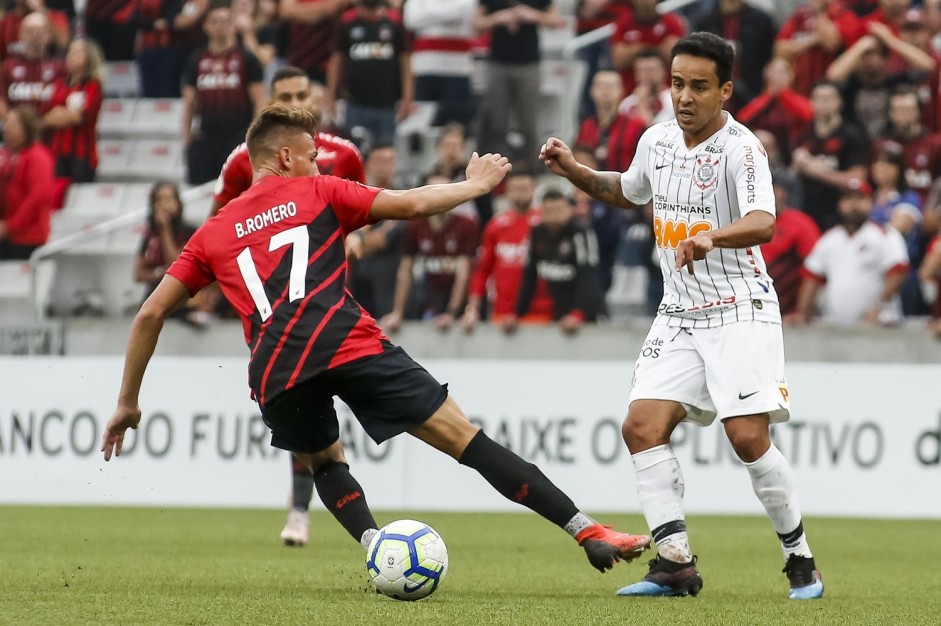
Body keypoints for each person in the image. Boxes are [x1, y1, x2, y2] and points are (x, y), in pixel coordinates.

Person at [100, 106, 652, 577]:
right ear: (287, 158)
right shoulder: (318, 191)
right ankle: (586, 530)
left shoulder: (214, 229)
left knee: (323, 462)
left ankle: (375, 548)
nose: (318, 161)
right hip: (345, 340)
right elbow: (410, 205)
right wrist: (477, 186)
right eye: (312, 153)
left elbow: (150, 312)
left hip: (277, 370)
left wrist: (127, 401)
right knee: (466, 439)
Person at [540, 32, 824, 600]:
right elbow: (627, 190)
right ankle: (674, 564)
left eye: (698, 86)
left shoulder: (743, 149)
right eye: (676, 84)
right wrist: (574, 169)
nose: (684, 97)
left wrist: (711, 236)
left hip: (740, 306)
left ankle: (801, 561)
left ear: (725, 90)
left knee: (746, 438)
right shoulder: (657, 140)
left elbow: (763, 221)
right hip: (679, 311)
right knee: (640, 428)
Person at [210, 66, 366, 217]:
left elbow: (363, 211)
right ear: (270, 105)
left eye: (301, 96)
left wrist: (357, 236)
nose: (295, 104)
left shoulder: (345, 154)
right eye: (286, 98)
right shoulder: (243, 158)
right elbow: (216, 222)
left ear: (313, 101)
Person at [790, 179, 909, 326]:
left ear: (871, 203)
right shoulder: (829, 239)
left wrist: (878, 307)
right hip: (838, 328)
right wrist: (802, 313)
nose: (854, 205)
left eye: (860, 199)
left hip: (879, 326)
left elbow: (897, 273)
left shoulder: (884, 234)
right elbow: (812, 278)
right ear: (840, 204)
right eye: (848, 198)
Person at [379, 172, 478, 333]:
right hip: (427, 297)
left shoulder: (466, 225)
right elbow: (405, 270)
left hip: (460, 308)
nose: (439, 197)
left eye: (445, 191)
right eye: (434, 191)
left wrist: (451, 313)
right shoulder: (414, 227)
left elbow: (464, 272)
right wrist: (398, 312)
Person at [181, 0, 266, 185]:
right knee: (199, 191)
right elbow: (188, 103)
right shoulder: (196, 60)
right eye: (215, 21)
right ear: (206, 26)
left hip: (237, 136)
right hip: (206, 138)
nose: (221, 26)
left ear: (234, 24)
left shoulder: (247, 59)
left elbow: (260, 101)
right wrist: (188, 140)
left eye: (226, 21)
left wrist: (253, 139)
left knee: (239, 192)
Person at [475, 0, 561, 174]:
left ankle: (532, 169)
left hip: (528, 64)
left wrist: (533, 15)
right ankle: (497, 171)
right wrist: (498, 18)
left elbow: (555, 19)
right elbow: (477, 23)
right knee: (497, 122)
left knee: (528, 123)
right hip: (498, 63)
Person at [461, 170, 553, 332]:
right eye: (516, 188)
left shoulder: (546, 223)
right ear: (507, 191)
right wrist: (472, 309)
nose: (520, 194)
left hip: (542, 313)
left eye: (524, 188)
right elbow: (482, 272)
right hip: (503, 314)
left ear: (534, 189)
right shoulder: (496, 225)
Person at [508, 188, 607, 335]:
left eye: (559, 210)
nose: (554, 216)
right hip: (559, 313)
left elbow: (588, 275)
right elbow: (529, 276)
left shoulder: (580, 232)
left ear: (569, 210)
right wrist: (517, 313)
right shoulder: (537, 234)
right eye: (549, 211)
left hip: (587, 316)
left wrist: (578, 314)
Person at [326, 0, 413, 146]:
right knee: (354, 151)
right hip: (355, 103)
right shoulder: (346, 22)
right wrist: (331, 95)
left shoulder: (395, 22)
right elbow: (336, 60)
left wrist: (407, 98)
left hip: (387, 105)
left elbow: (405, 62)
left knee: (385, 152)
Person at [791, 80, 869, 231]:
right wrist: (797, 165)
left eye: (828, 98)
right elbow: (794, 173)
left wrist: (816, 171)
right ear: (811, 102)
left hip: (838, 213)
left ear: (839, 102)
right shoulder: (803, 134)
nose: (824, 103)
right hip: (806, 208)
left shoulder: (851, 135)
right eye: (819, 98)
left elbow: (857, 179)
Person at [43, 39, 106, 189]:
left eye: (77, 52)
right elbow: (46, 117)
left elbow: (80, 116)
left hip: (82, 153)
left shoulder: (93, 85)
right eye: (70, 51)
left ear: (89, 57)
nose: (71, 56)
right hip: (56, 151)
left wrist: (61, 114)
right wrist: (66, 114)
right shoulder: (58, 84)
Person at [403, 0, 477, 127]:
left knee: (456, 125)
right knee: (421, 123)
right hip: (424, 68)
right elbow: (410, 20)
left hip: (457, 70)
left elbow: (462, 13)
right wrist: (447, 13)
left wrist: (427, 14)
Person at [0, 106, 55, 260]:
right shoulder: (6, 154)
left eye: (11, 124)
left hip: (27, 238)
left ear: (25, 129)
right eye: (6, 124)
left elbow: (38, 197)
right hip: (6, 235)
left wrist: (10, 226)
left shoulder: (38, 156)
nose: (6, 129)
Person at [760, 179, 821, 315]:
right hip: (753, 304)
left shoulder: (800, 223)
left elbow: (814, 271)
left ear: (783, 192)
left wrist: (801, 311)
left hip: (788, 309)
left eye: (774, 188)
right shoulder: (743, 222)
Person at [575, 70, 647, 175]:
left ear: (622, 90)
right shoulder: (586, 127)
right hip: (592, 186)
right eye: (600, 85)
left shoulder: (636, 126)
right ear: (591, 91)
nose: (606, 90)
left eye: (611, 86)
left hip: (625, 187)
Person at [0, 12, 65, 118]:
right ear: (21, 34)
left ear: (48, 35)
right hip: (17, 130)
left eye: (40, 31)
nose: (35, 36)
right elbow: (1, 101)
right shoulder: (8, 66)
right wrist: (12, 123)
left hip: (50, 130)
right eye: (30, 31)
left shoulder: (61, 67)